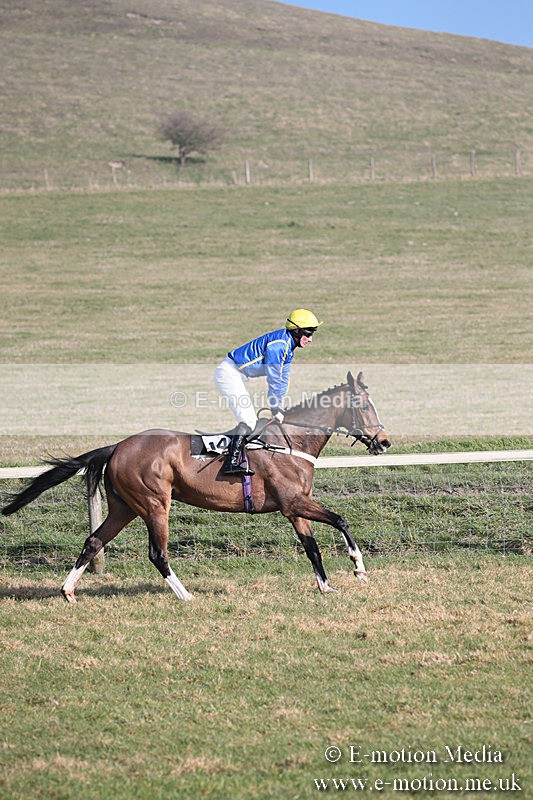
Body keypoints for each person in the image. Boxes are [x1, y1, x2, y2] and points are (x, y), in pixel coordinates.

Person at [214, 309, 323, 475]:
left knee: (250, 420)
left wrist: (279, 406)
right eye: (308, 333)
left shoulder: (288, 346)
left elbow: (282, 379)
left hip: (236, 374)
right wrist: (274, 407)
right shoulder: (279, 345)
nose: (310, 339)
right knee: (249, 421)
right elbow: (273, 377)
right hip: (229, 373)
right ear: (297, 331)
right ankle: (230, 463)